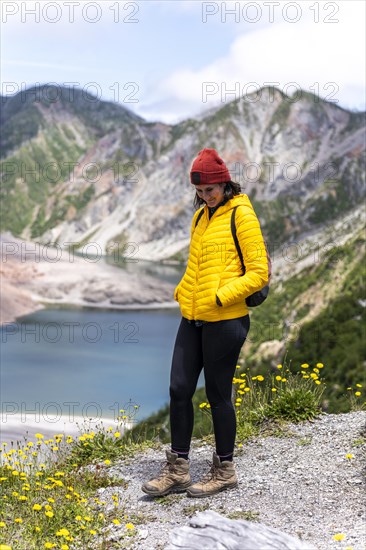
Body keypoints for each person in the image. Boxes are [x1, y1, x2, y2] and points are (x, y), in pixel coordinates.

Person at [141, 148, 270, 498]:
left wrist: (218, 297)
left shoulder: (241, 214)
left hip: (225, 320)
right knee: (178, 389)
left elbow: (259, 273)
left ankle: (224, 469)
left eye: (210, 190)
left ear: (225, 183)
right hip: (193, 316)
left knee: (217, 395)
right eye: (199, 191)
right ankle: (178, 469)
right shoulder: (201, 216)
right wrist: (183, 289)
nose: (204, 196)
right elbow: (196, 264)